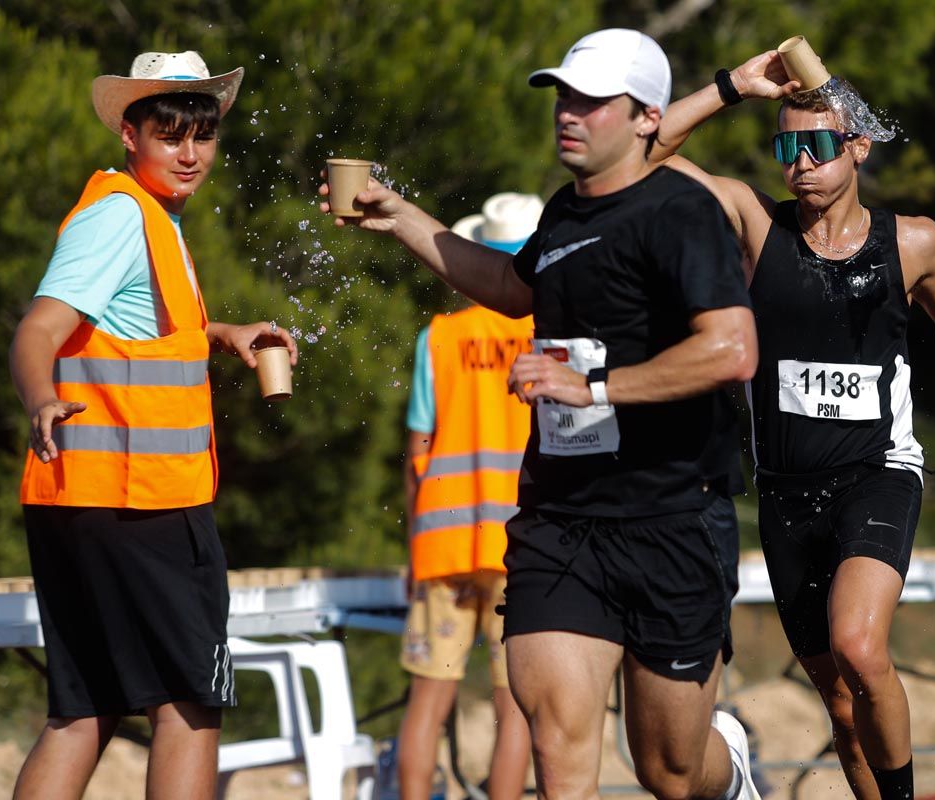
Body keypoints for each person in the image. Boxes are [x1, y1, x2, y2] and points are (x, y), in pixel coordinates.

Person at [323, 27, 768, 800]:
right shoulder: (564, 213)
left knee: (670, 771)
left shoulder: (681, 212)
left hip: (671, 517)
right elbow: (510, 285)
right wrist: (404, 220)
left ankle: (727, 773)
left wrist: (594, 389)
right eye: (564, 95)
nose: (568, 112)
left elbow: (731, 350)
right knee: (557, 746)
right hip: (561, 521)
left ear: (646, 118)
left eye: (592, 100)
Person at [646, 50, 935, 800]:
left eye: (817, 145)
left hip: (876, 475)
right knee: (843, 713)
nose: (800, 163)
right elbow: (645, 153)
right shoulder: (759, 232)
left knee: (859, 645)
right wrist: (732, 89)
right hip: (787, 495)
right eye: (785, 147)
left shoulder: (912, 242)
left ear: (859, 147)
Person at [9, 50, 297, 799]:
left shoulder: (146, 217)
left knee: (86, 708)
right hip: (143, 504)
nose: (190, 152)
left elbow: (132, 337)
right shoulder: (119, 217)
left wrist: (222, 331)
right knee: (191, 704)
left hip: (82, 501)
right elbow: (37, 330)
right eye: (170, 134)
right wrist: (39, 398)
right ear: (129, 134)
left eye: (201, 134)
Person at [397, 192, 542, 800]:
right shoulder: (549, 332)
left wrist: (412, 549)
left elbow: (416, 452)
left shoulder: (440, 338)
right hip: (526, 545)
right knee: (516, 710)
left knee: (429, 702)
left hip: (446, 541)